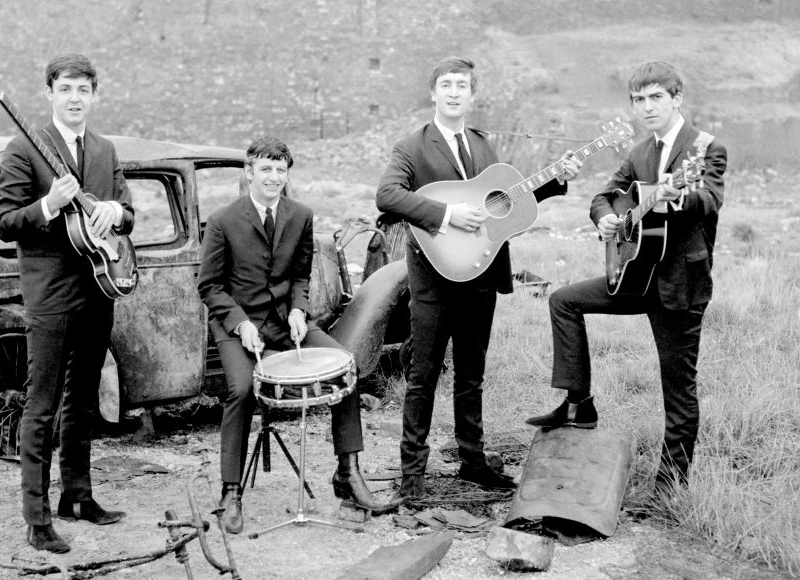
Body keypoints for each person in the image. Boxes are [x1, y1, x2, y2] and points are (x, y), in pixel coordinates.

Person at [376, 56, 581, 500]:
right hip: (432, 279)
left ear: (472, 94)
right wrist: (447, 213)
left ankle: (473, 461)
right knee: (422, 375)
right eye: (446, 84)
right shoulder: (412, 147)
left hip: (482, 275)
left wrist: (555, 179)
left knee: (472, 375)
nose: (454, 92)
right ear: (433, 93)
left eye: (462, 85)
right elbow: (387, 195)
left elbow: (505, 201)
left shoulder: (483, 147)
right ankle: (413, 474)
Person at [525, 60, 727, 490]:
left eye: (656, 97)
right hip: (635, 276)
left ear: (677, 99)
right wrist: (607, 220)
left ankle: (669, 488)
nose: (647, 107)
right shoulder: (639, 152)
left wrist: (674, 198)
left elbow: (709, 200)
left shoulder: (705, 148)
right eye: (639, 99)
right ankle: (578, 403)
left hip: (679, 285)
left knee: (676, 388)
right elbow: (604, 196)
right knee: (564, 300)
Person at [198, 136, 389, 534]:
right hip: (239, 326)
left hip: (287, 322)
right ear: (249, 172)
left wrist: (300, 309)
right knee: (240, 390)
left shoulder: (301, 214)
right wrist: (242, 324)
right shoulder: (222, 221)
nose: (272, 177)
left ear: (287, 175)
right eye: (264, 169)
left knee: (345, 367)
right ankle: (230, 492)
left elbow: (300, 275)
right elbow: (210, 287)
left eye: (280, 170)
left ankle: (348, 473)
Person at [0, 53, 133, 553]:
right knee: (42, 403)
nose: (75, 98)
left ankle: (78, 495)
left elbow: (129, 213)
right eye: (66, 89)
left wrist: (114, 211)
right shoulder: (23, 148)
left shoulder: (104, 148)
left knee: (83, 398)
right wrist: (50, 204)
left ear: (95, 95)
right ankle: (37, 518)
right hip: (50, 294)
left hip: (99, 286)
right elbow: (4, 223)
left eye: (84, 90)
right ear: (50, 93)